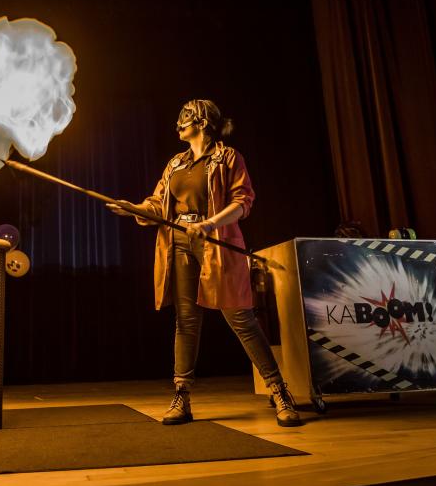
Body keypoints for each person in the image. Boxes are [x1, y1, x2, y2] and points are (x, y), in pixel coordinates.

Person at [107, 99, 302, 427]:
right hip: (179, 244)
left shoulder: (228, 158)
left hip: (217, 245)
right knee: (186, 321)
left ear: (202, 121)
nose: (178, 123)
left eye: (184, 117)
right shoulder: (176, 164)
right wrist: (135, 208)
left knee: (241, 317)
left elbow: (243, 202)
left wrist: (210, 225)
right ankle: (182, 396)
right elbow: (158, 203)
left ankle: (279, 390)